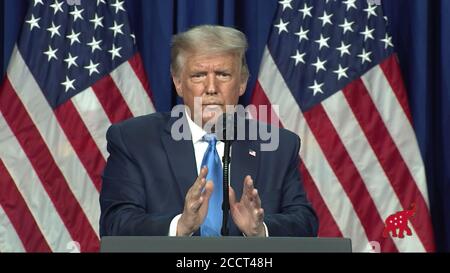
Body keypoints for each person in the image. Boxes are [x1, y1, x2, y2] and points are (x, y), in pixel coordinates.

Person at [99, 25, 318, 237]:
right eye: (198, 75)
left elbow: (304, 222)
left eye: (223, 74)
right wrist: (180, 226)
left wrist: (260, 230)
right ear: (178, 82)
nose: (211, 88)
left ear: (242, 83)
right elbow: (115, 222)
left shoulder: (279, 146)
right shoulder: (134, 140)